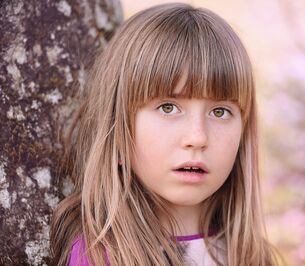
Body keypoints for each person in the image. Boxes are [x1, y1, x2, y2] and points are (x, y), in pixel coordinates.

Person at [50, 2, 278, 265]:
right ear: (118, 126)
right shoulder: (101, 257)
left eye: (220, 112)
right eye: (168, 107)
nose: (197, 138)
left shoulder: (252, 257)